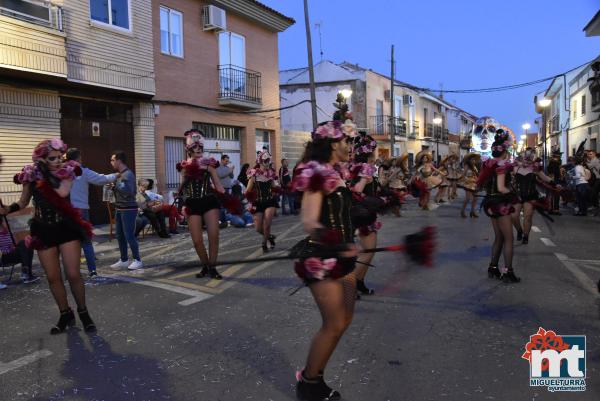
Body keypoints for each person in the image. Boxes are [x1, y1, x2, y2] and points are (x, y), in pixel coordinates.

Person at [292, 119, 358, 401]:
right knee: (333, 324)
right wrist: (338, 243)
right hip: (321, 258)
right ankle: (309, 383)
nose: (351, 146)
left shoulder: (338, 172)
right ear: (333, 143)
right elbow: (309, 221)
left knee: (344, 320)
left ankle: (313, 373)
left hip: (342, 257)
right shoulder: (315, 171)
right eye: (347, 141)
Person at [3, 139, 96, 333]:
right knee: (53, 277)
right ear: (42, 159)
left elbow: (62, 193)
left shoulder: (68, 171)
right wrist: (6, 209)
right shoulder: (31, 175)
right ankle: (65, 313)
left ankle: (83, 312)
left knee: (73, 274)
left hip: (66, 227)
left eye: (59, 157)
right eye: (52, 158)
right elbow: (22, 201)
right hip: (43, 229)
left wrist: (44, 173)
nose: (58, 161)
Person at [177, 129, 225, 279]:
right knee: (197, 241)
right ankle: (205, 265)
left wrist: (231, 199)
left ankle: (213, 267)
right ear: (189, 150)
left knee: (214, 235)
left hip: (209, 201)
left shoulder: (209, 165)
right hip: (192, 203)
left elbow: (218, 185)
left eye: (200, 147)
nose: (198, 150)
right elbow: (182, 189)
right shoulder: (185, 167)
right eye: (195, 147)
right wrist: (182, 205)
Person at [65, 148, 117, 278]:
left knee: (70, 242)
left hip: (66, 211)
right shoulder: (83, 171)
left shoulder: (61, 171)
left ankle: (70, 271)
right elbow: (101, 179)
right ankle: (92, 270)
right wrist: (117, 175)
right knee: (86, 242)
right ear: (78, 158)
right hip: (81, 210)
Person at [477, 130, 520, 283]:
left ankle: (493, 267)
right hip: (501, 204)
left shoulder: (489, 163)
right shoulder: (501, 166)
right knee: (509, 238)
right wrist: (512, 192)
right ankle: (508, 271)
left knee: (499, 237)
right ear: (505, 151)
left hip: (491, 202)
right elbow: (502, 188)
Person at [349, 131, 380, 296]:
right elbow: (357, 190)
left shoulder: (356, 166)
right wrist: (364, 181)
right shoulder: (366, 168)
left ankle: (359, 282)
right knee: (368, 251)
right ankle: (351, 283)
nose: (375, 154)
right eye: (374, 151)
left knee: (369, 251)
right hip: (363, 214)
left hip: (363, 212)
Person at [109, 151, 143, 270]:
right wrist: (114, 187)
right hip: (120, 207)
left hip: (128, 209)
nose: (111, 162)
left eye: (113, 160)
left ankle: (137, 260)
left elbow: (129, 191)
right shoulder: (120, 175)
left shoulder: (128, 174)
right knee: (120, 235)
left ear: (119, 161)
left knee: (129, 235)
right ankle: (124, 259)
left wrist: (115, 186)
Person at [512, 148, 554, 244]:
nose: (527, 159)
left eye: (529, 157)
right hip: (517, 195)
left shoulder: (535, 168)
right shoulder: (515, 168)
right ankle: (519, 230)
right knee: (514, 216)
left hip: (530, 195)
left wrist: (554, 183)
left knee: (528, 216)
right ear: (521, 157)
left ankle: (526, 236)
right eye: (525, 156)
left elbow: (545, 177)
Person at [246, 151, 279, 252]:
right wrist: (250, 202)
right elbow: (248, 191)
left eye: (269, 160)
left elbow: (275, 187)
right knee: (258, 228)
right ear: (260, 161)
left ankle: (264, 244)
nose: (268, 162)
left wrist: (280, 188)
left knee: (267, 224)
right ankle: (269, 237)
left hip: (270, 201)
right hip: (258, 202)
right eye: (266, 160)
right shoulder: (254, 175)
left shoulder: (271, 173)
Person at [458, 152, 481, 218]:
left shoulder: (474, 167)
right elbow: (463, 174)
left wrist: (478, 179)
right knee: (467, 198)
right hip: (468, 183)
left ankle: (472, 211)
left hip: (474, 183)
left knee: (476, 198)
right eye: (472, 159)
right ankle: (462, 211)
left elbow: (476, 175)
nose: (474, 161)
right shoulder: (467, 165)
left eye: (474, 160)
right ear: (469, 160)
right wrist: (467, 179)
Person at [546, 150, 564, 215]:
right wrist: (555, 182)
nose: (560, 157)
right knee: (555, 195)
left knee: (553, 195)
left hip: (553, 180)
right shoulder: (554, 163)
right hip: (554, 180)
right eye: (559, 156)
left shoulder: (552, 162)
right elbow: (553, 173)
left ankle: (551, 208)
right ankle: (554, 210)